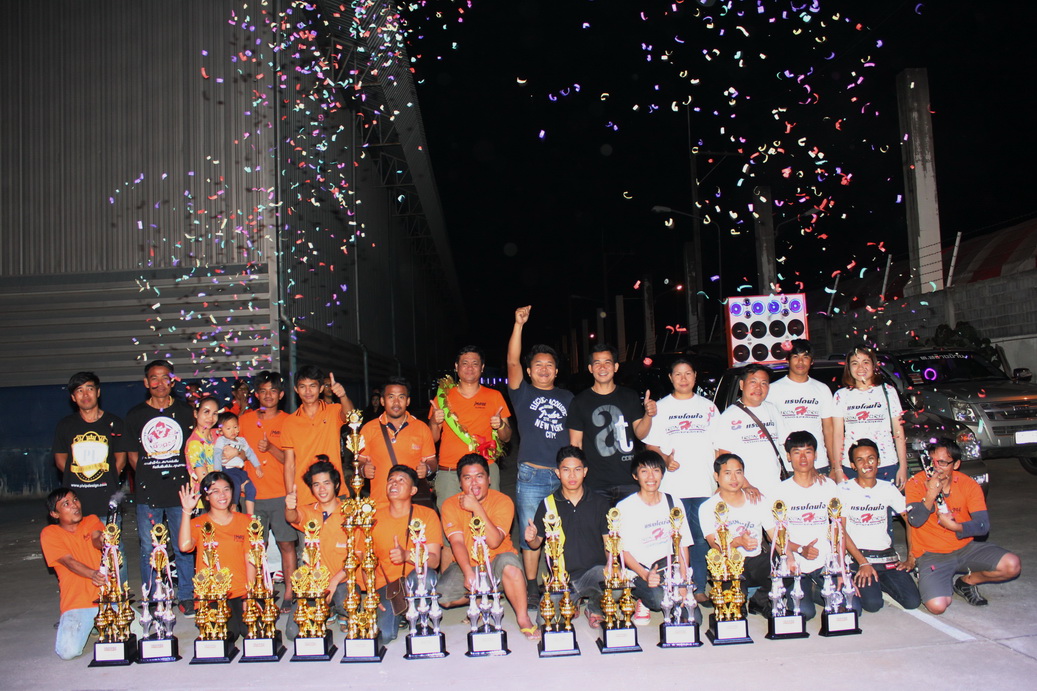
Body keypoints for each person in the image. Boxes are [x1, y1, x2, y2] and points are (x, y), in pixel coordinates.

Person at [329, 464, 442, 648]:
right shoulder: (373, 518)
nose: (394, 484)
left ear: (413, 490)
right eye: (391, 480)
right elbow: (364, 560)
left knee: (427, 577)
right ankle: (400, 613)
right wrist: (371, 595)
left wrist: (407, 555)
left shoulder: (427, 515)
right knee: (385, 635)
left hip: (413, 582)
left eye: (401, 480)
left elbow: (435, 561)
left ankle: (416, 616)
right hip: (386, 587)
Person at [507, 305, 575, 608]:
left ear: (556, 371)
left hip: (562, 475)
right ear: (530, 370)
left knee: (563, 532)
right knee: (531, 533)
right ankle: (532, 586)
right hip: (532, 474)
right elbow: (512, 361)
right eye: (538, 365)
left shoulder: (567, 397)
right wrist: (519, 324)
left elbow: (575, 436)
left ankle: (562, 580)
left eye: (549, 365)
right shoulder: (522, 393)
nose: (544, 369)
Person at [906, 439, 1021, 614]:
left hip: (965, 548)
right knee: (937, 606)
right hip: (932, 553)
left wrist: (956, 527)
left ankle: (967, 582)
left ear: (956, 464)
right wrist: (930, 495)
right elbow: (914, 520)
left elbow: (982, 525)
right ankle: (928, 576)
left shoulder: (968, 484)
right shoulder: (915, 482)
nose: (936, 467)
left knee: (1011, 565)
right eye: (932, 462)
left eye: (943, 463)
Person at [438, 454, 539, 641]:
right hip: (469, 562)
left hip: (497, 560)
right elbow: (457, 542)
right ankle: (481, 598)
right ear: (460, 482)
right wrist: (467, 572)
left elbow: (494, 541)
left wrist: (476, 508)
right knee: (443, 597)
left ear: (489, 479)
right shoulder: (450, 504)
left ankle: (523, 618)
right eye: (467, 478)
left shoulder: (503, 501)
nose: (474, 483)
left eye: (479, 476)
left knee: (511, 567)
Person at [643, 357, 719, 605]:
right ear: (670, 378)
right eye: (678, 374)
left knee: (700, 538)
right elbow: (651, 446)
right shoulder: (661, 408)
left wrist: (719, 480)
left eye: (688, 373)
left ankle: (698, 587)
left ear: (695, 376)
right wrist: (665, 460)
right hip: (673, 487)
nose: (683, 378)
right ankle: (675, 585)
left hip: (704, 485)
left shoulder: (708, 407)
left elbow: (719, 446)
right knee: (674, 539)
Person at [125, 359, 196, 617]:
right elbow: (133, 456)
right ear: (146, 383)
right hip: (149, 493)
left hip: (181, 493)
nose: (160, 383)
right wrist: (151, 474)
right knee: (149, 548)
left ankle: (187, 596)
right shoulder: (135, 415)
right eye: (154, 378)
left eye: (165, 377)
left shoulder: (187, 412)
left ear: (172, 381)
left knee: (183, 545)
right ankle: (153, 596)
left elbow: (195, 449)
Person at [774, 431, 860, 620]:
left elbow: (838, 530)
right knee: (804, 613)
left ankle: (819, 589)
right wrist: (797, 551)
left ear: (816, 455)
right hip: (797, 565)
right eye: (797, 452)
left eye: (808, 452)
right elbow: (774, 535)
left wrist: (841, 571)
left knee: (852, 608)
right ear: (788, 456)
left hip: (826, 564)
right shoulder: (780, 491)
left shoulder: (829, 486)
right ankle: (811, 591)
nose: (803, 458)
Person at [523, 445, 610, 628]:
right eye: (566, 470)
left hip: (592, 574)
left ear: (585, 471)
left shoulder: (600, 502)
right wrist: (532, 537)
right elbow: (536, 544)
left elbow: (608, 543)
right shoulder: (548, 504)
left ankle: (594, 608)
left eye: (577, 469)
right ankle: (571, 602)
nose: (572, 475)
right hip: (562, 578)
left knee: (612, 581)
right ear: (558, 473)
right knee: (545, 622)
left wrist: (613, 568)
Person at [615, 450, 697, 626]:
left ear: (662, 474)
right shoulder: (625, 507)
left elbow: (683, 545)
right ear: (635, 476)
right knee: (658, 598)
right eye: (644, 471)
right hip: (640, 570)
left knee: (694, 617)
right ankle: (641, 599)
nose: (651, 477)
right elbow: (623, 551)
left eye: (656, 471)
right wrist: (645, 575)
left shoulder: (674, 502)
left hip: (668, 568)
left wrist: (682, 582)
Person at [568, 343, 657, 503]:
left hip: (628, 481)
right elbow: (576, 444)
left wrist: (648, 415)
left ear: (616, 367)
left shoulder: (629, 396)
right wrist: (577, 478)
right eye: (597, 363)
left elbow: (640, 433)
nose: (602, 367)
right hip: (595, 484)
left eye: (607, 362)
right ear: (590, 368)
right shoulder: (579, 402)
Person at [840, 439, 921, 612]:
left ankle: (880, 582)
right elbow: (841, 530)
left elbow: (911, 521)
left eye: (871, 458)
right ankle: (863, 581)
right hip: (859, 558)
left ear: (878, 461)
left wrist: (911, 557)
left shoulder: (888, 488)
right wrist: (862, 563)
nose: (866, 464)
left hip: (886, 556)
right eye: (860, 460)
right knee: (873, 604)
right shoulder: (844, 490)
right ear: (853, 465)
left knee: (913, 602)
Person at [239, 371, 297, 610]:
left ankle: (290, 593)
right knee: (255, 547)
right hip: (251, 497)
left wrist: (271, 447)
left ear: (281, 394)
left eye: (273, 391)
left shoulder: (289, 421)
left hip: (281, 494)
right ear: (256, 395)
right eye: (263, 391)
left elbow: (292, 460)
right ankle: (259, 591)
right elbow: (235, 453)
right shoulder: (244, 420)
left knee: (286, 544)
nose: (268, 395)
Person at [429, 346, 512, 504]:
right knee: (450, 518)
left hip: (485, 469)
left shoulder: (494, 396)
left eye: (475, 363)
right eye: (465, 363)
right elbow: (432, 439)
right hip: (450, 471)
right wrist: (434, 422)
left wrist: (500, 425)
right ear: (456, 366)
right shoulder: (442, 398)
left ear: (482, 367)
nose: (469, 368)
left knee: (488, 516)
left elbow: (507, 438)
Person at [177, 472, 255, 639]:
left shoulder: (245, 521)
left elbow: (251, 560)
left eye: (226, 489)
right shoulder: (198, 523)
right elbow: (184, 546)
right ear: (206, 496)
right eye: (215, 491)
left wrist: (250, 595)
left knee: (253, 632)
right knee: (226, 635)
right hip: (212, 594)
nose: (222, 495)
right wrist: (186, 511)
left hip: (240, 591)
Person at [699, 454, 776, 615]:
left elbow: (774, 535)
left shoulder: (758, 500)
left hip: (756, 560)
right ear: (717, 476)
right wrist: (738, 542)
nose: (734, 478)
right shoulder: (707, 507)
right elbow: (714, 545)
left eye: (738, 472)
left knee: (787, 564)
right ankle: (740, 596)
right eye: (727, 473)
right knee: (735, 614)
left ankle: (760, 600)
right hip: (728, 564)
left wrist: (789, 556)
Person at [284, 457, 352, 627]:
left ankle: (338, 609)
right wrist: (289, 506)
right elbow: (292, 517)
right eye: (316, 485)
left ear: (336, 485)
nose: (322, 489)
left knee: (347, 603)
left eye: (326, 483)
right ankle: (328, 610)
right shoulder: (309, 511)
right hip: (313, 584)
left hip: (342, 581)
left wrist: (333, 582)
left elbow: (358, 555)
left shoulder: (350, 514)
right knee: (293, 631)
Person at [52, 372, 128, 519]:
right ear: (73, 397)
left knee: (109, 534)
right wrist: (77, 476)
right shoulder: (65, 425)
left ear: (98, 392)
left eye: (90, 389)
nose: (85, 395)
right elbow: (60, 458)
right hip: (76, 500)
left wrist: (106, 479)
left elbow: (121, 459)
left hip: (107, 499)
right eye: (79, 390)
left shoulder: (115, 423)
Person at [40, 488, 104, 659]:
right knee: (68, 652)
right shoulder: (50, 533)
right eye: (66, 504)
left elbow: (97, 539)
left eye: (75, 500)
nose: (74, 505)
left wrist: (104, 540)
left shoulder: (91, 520)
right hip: (77, 603)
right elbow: (68, 562)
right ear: (54, 514)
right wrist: (92, 574)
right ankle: (91, 625)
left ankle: (96, 625)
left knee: (139, 635)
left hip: (105, 599)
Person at [832, 345, 908, 487]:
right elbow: (837, 435)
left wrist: (903, 466)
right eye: (855, 363)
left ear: (874, 365)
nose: (860, 367)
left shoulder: (888, 391)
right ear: (849, 368)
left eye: (865, 362)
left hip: (885, 463)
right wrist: (837, 469)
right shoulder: (841, 395)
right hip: (852, 465)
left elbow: (898, 430)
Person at [357, 378, 437, 507]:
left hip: (412, 504)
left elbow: (432, 461)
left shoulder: (421, 428)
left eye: (401, 397)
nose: (396, 402)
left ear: (408, 401)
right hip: (380, 503)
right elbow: (359, 460)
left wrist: (427, 469)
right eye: (391, 397)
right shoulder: (369, 429)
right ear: (382, 401)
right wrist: (363, 469)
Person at [281, 365, 354, 505]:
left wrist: (343, 396)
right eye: (302, 386)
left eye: (312, 386)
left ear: (320, 388)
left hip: (335, 492)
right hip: (304, 496)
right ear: (296, 389)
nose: (308, 391)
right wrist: (290, 494)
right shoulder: (289, 422)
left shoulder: (333, 411)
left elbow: (351, 415)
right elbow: (289, 464)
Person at [715, 364, 788, 497]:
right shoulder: (729, 416)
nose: (758, 388)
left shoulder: (772, 410)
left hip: (775, 487)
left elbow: (784, 445)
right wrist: (746, 485)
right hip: (745, 491)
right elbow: (723, 457)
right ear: (742, 385)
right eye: (753, 382)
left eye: (764, 383)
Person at [768, 340, 839, 476]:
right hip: (786, 465)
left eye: (805, 357)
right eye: (795, 357)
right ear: (788, 360)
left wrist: (834, 465)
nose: (800, 362)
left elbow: (828, 430)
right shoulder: (772, 390)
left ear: (811, 361)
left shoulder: (822, 389)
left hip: (818, 463)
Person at [213, 411, 263, 514]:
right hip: (228, 471)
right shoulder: (222, 440)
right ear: (221, 431)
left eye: (235, 427)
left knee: (251, 488)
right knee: (234, 486)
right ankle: (233, 508)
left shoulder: (242, 441)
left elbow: (250, 453)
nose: (233, 431)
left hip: (240, 471)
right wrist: (217, 471)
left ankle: (250, 515)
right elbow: (217, 454)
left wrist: (257, 466)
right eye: (228, 428)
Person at [185, 396, 220, 490]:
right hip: (208, 494)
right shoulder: (195, 443)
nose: (211, 417)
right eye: (206, 412)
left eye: (215, 413)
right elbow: (204, 480)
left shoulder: (219, 433)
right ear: (196, 414)